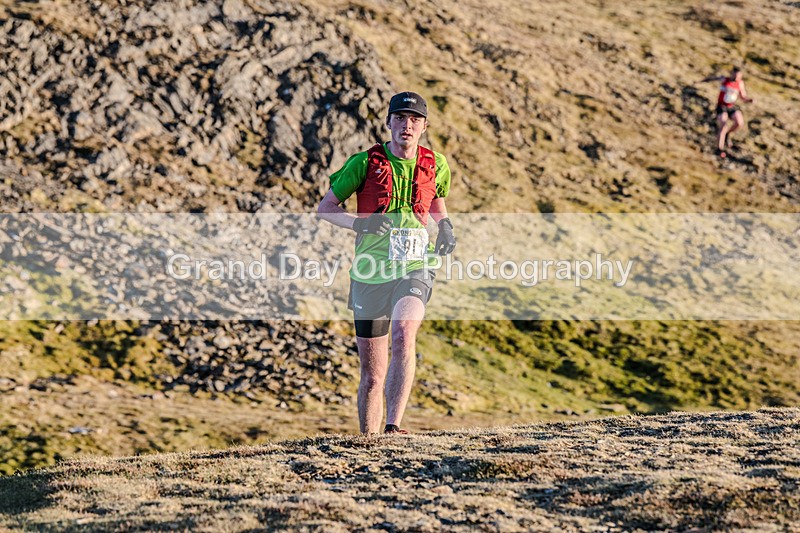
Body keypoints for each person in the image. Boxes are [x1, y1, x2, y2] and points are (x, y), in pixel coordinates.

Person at [316, 91, 456, 435]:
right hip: (370, 271)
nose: (407, 126)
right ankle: (370, 440)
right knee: (373, 375)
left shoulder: (435, 163)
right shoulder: (364, 163)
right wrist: (360, 223)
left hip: (415, 266)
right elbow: (325, 208)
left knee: (404, 331)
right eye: (400, 118)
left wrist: (446, 225)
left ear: (424, 126)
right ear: (389, 122)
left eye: (415, 120)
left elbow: (434, 196)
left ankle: (394, 426)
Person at [699, 66, 754, 158]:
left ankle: (728, 134)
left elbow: (743, 96)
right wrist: (701, 81)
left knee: (739, 123)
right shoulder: (724, 79)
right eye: (735, 75)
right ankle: (719, 149)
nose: (736, 78)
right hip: (721, 106)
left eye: (738, 76)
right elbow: (712, 79)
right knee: (723, 126)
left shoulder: (740, 84)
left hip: (731, 106)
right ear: (731, 73)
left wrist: (749, 100)